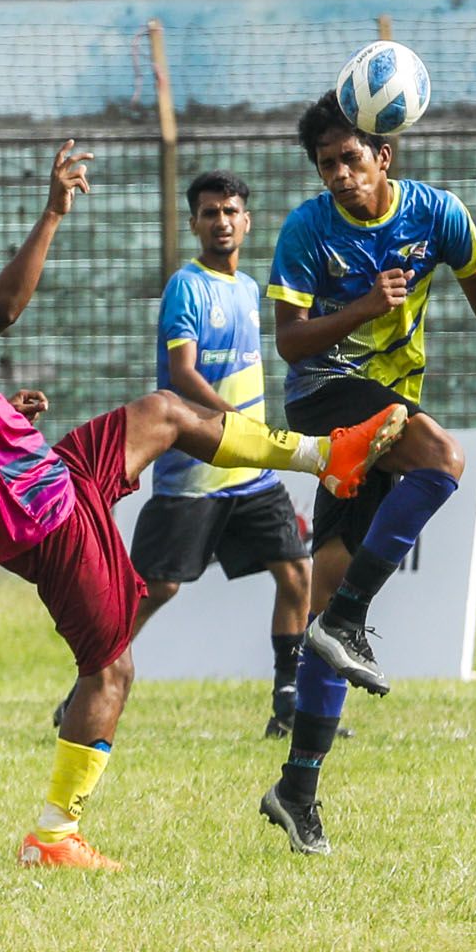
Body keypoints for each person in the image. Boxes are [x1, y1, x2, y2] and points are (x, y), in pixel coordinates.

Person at [0, 140, 410, 872]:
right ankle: (53, 833)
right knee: (111, 671)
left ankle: (329, 455)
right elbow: (5, 307)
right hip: (40, 514)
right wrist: (52, 211)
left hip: (46, 476)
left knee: (165, 411)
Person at [257, 93, 476, 855]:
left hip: (386, 409)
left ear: (385, 155)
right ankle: (353, 616)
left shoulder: (439, 214)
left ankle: (298, 788)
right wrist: (358, 307)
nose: (341, 176)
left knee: (321, 606)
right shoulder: (307, 229)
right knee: (443, 459)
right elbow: (288, 343)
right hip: (325, 399)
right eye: (327, 165)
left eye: (351, 159)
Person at [53, 169, 313, 739]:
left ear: (247, 220)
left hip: (249, 472)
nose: (221, 221)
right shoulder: (186, 286)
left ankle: (289, 705)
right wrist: (231, 421)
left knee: (296, 571)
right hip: (193, 473)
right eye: (210, 213)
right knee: (156, 589)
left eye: (230, 211)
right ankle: (89, 682)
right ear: (194, 223)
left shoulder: (249, 288)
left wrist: (251, 437)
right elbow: (181, 372)